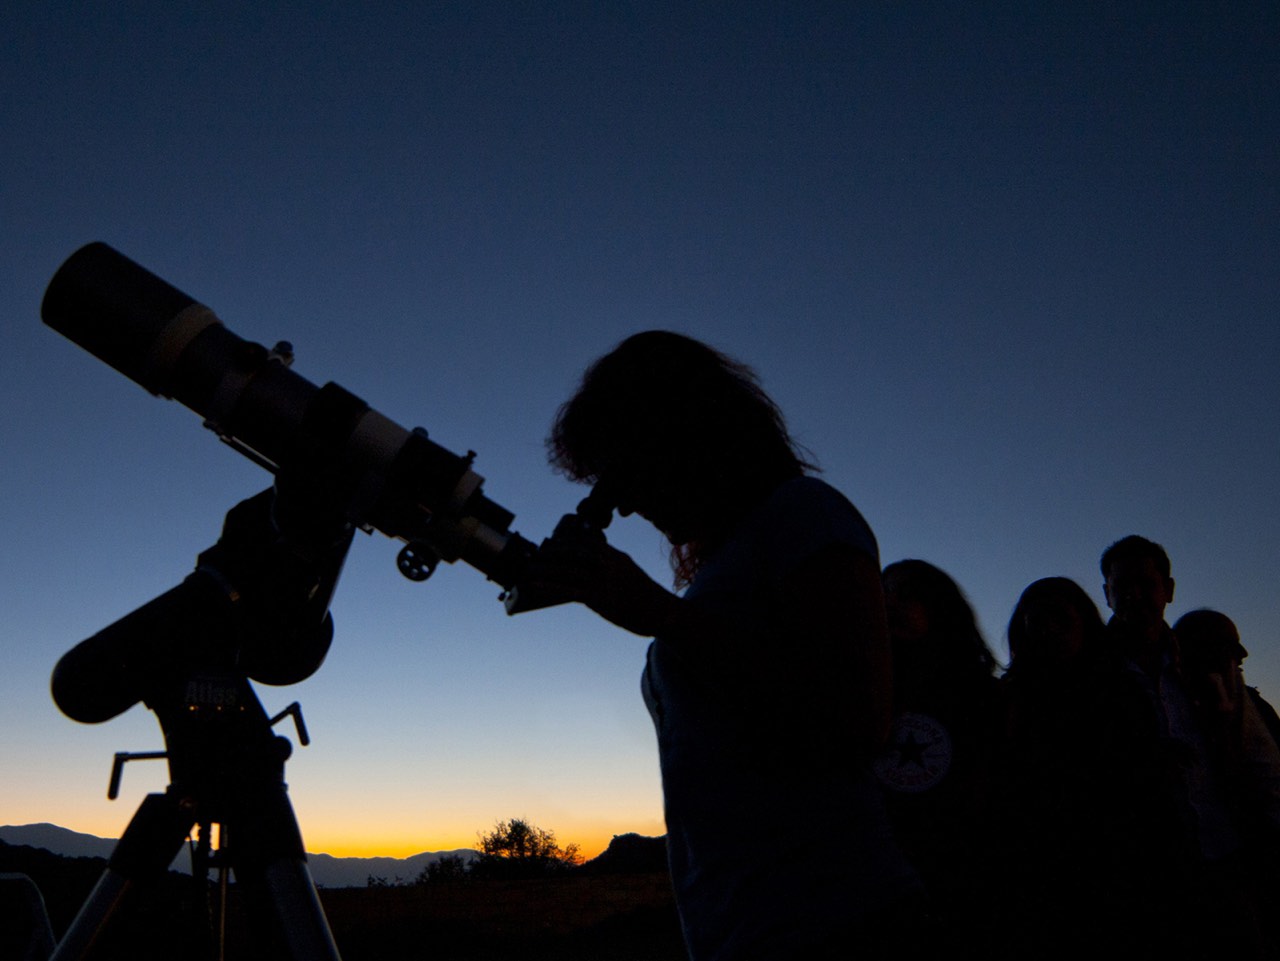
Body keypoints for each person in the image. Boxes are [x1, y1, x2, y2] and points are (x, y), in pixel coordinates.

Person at [521, 331, 922, 960]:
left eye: (626, 471)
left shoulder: (806, 515)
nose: (621, 504)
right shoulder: (722, 568)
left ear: (683, 436)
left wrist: (662, 615)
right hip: (743, 930)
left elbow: (857, 716)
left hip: (838, 922)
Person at [873, 560, 1003, 957]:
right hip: (876, 893)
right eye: (885, 593)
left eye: (908, 594)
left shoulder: (984, 698)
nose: (893, 604)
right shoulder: (864, 690)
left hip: (968, 888)